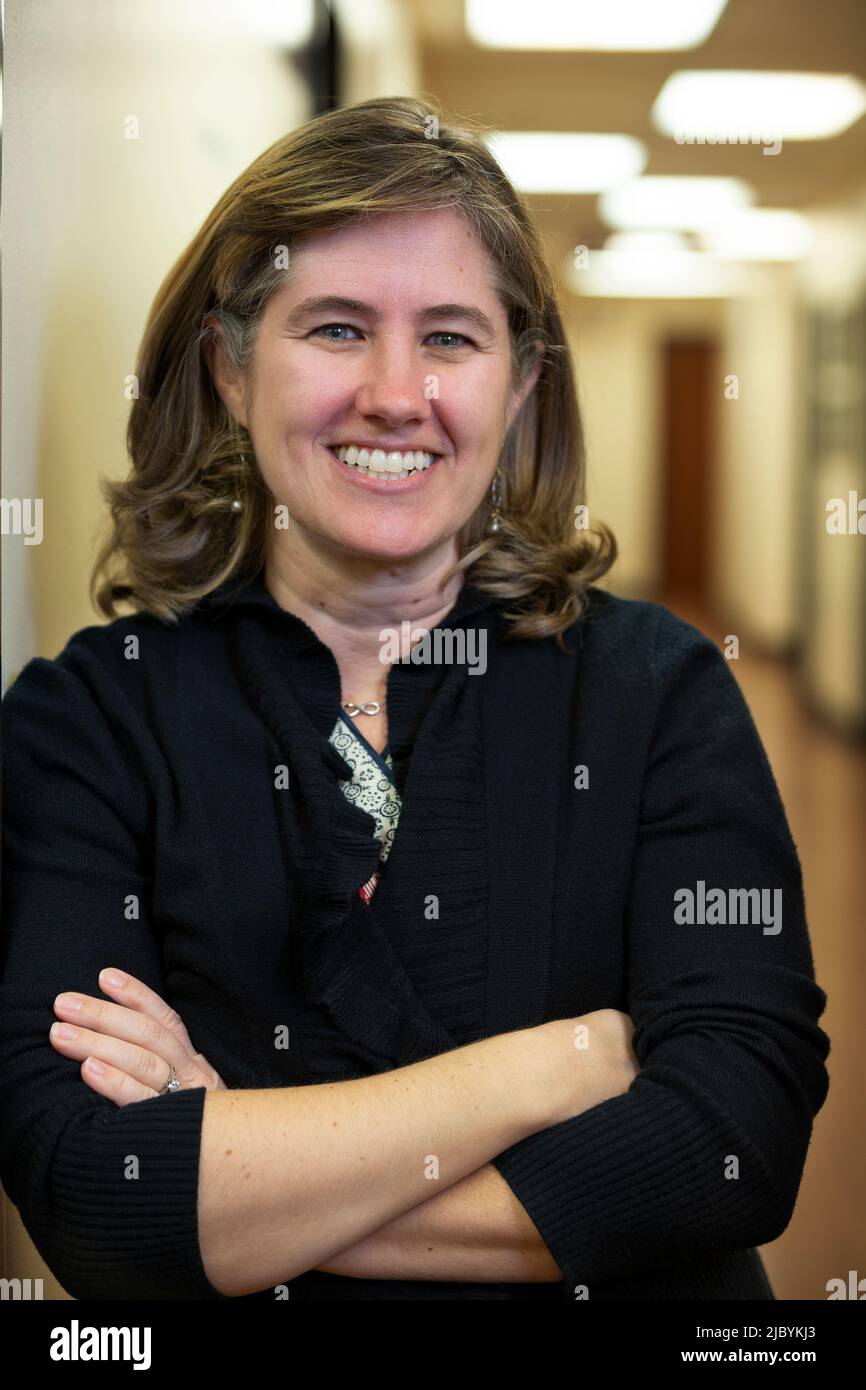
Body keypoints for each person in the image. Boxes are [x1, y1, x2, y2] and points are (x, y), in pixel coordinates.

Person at [0, 96, 830, 1302]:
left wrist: (237, 1177)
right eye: (335, 329)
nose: (397, 394)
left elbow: (734, 1140)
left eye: (450, 338)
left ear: (522, 382)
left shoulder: (657, 692)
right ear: (231, 368)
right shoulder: (91, 721)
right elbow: (90, 1191)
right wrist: (561, 1065)